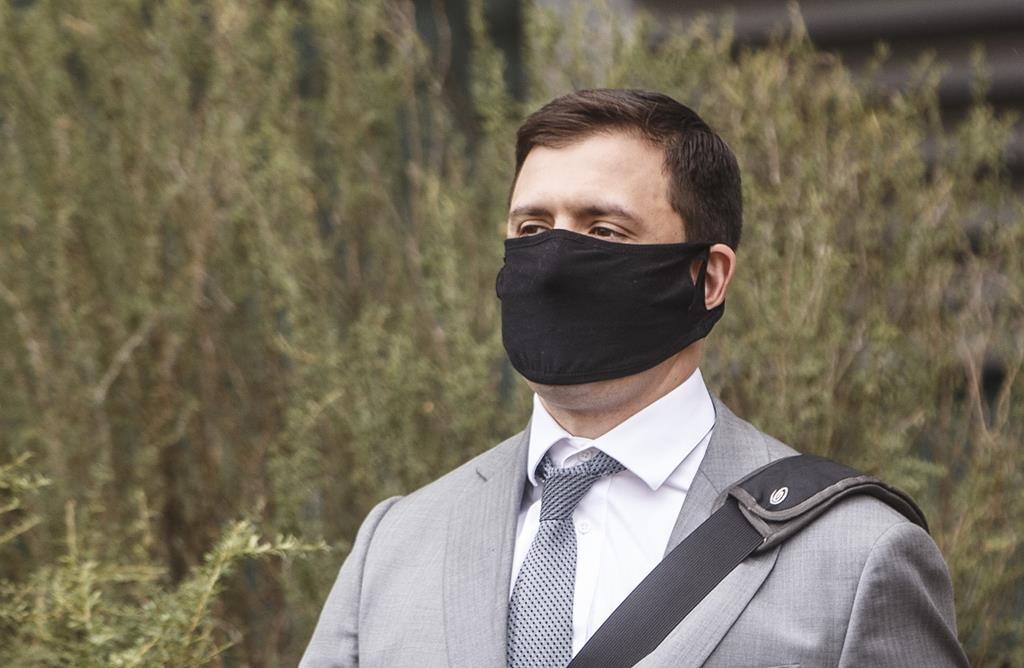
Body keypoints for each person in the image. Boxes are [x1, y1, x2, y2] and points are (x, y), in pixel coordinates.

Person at [300, 89, 968, 667]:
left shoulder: (857, 554)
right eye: (532, 227)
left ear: (708, 277)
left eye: (604, 231)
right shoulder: (395, 543)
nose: (554, 261)